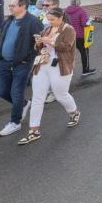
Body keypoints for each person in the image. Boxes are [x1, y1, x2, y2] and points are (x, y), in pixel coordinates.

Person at [17, 8, 81, 145]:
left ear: (60, 18)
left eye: (52, 19)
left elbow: (67, 47)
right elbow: (38, 48)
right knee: (37, 98)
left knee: (61, 95)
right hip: (43, 65)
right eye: (48, 19)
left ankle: (74, 112)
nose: (50, 22)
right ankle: (33, 131)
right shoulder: (46, 29)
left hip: (60, 66)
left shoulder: (69, 29)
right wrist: (39, 43)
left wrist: (49, 41)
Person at [0, 0, 44, 137]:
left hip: (21, 64)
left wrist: (27, 59)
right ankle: (24, 104)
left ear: (23, 6)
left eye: (13, 6)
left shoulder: (33, 22)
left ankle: (15, 122)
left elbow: (39, 44)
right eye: (10, 5)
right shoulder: (9, 20)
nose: (10, 8)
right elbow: (3, 39)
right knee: (3, 92)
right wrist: (0, 57)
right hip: (4, 62)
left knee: (16, 93)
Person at [64, 0, 95, 76]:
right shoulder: (81, 11)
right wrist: (90, 20)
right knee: (84, 52)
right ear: (79, 3)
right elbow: (84, 24)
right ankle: (85, 70)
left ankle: (66, 70)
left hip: (69, 35)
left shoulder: (66, 11)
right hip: (80, 35)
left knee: (69, 53)